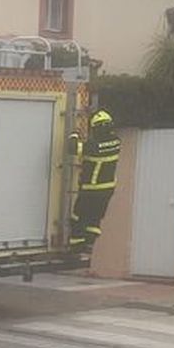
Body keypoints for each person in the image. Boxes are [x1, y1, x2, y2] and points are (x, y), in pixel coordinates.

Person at [67, 108, 120, 262]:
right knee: (94, 219)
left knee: (78, 216)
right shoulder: (116, 142)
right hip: (107, 190)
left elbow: (72, 148)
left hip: (91, 189)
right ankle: (89, 246)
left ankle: (76, 246)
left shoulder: (93, 146)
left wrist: (75, 133)